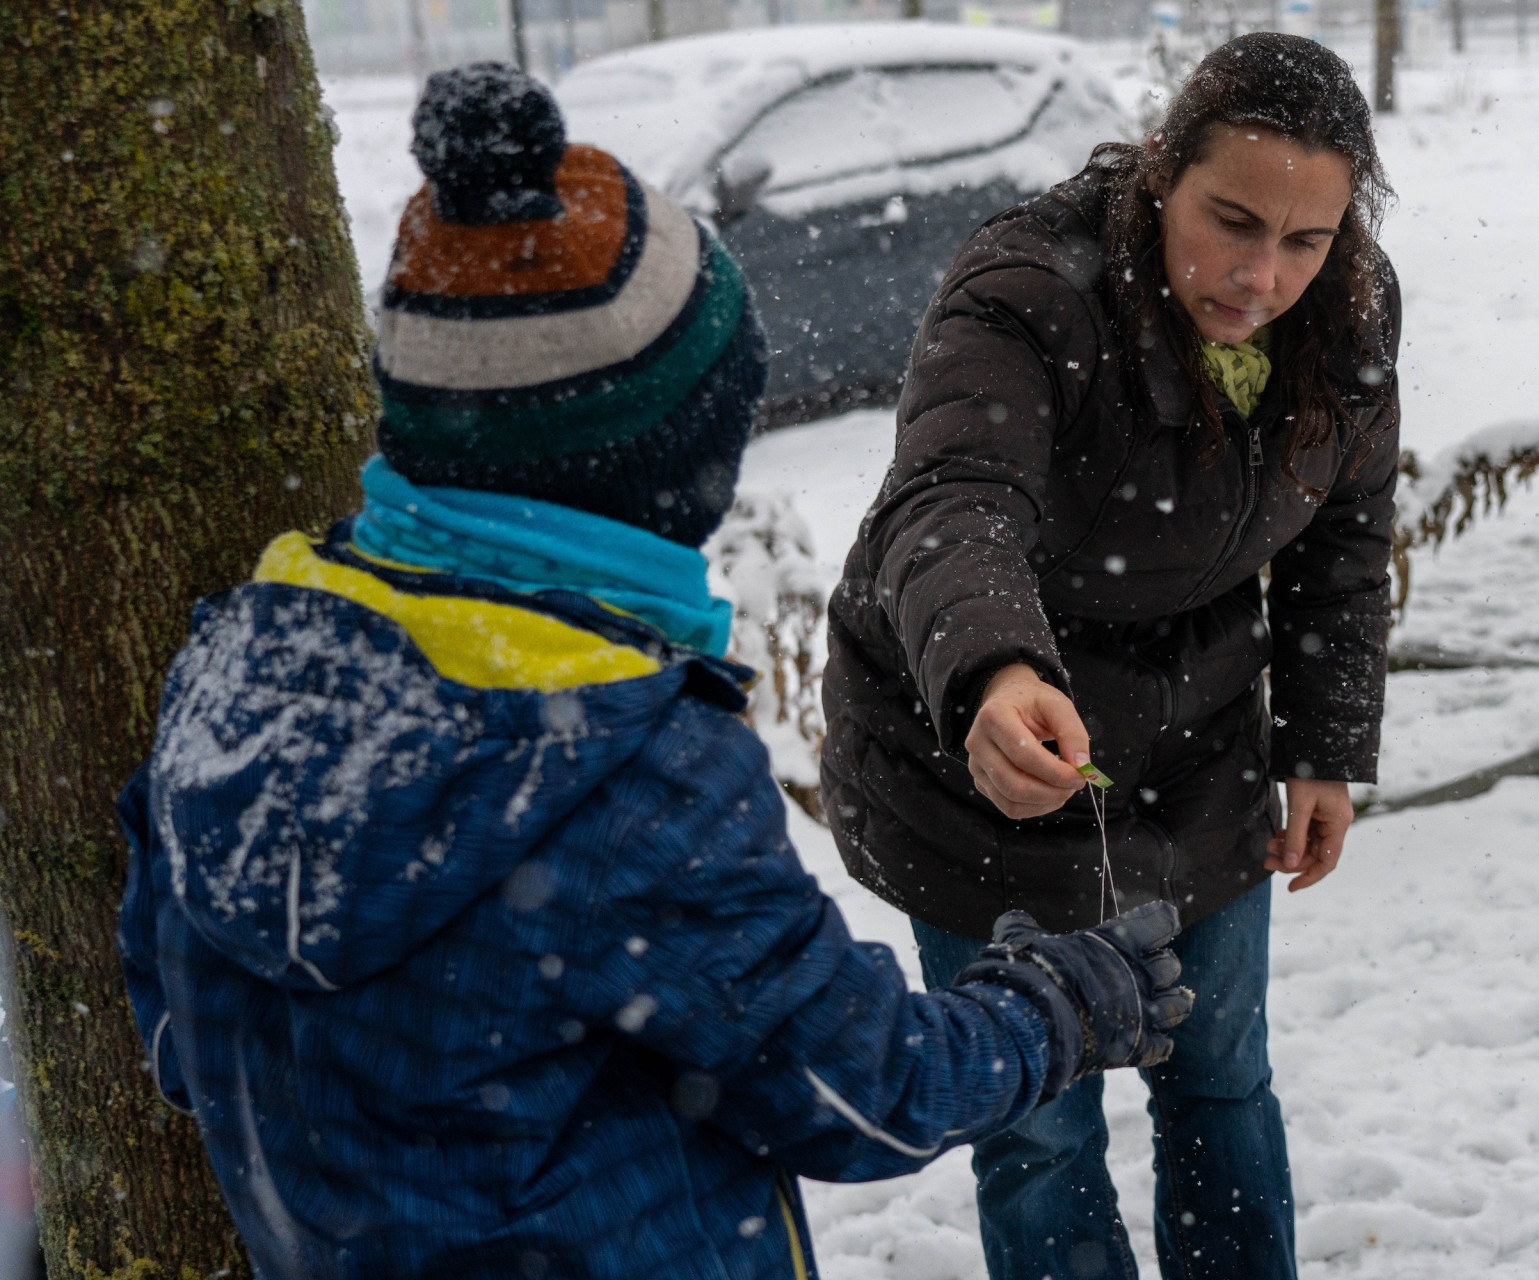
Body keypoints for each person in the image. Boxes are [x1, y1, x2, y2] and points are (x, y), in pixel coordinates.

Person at [114, 63, 1193, 1280]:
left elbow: (173, 1022)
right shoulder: (625, 766)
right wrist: (1056, 999)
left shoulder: (236, 658)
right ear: (664, 460)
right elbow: (859, 1091)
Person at [822, 33, 1400, 1280]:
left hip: (1199, 750)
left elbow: (1343, 543)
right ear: (1159, 170)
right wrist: (993, 670)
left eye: (1305, 240)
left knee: (1224, 1078)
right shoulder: (1028, 293)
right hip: (981, 753)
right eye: (1231, 221)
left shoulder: (1349, 306)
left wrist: (1325, 746)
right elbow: (954, 498)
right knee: (1035, 1126)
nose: (1261, 277)